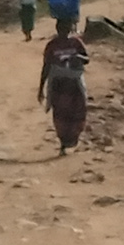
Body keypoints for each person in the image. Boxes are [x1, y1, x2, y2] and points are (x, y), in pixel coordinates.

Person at [38, 24, 92, 153]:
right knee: (60, 115)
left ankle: (73, 139)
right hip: (59, 85)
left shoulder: (76, 43)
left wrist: (79, 58)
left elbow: (87, 59)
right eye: (62, 29)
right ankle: (63, 143)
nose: (64, 31)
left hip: (75, 84)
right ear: (57, 29)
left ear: (70, 29)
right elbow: (46, 66)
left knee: (78, 111)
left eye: (66, 28)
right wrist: (41, 88)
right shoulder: (52, 45)